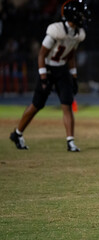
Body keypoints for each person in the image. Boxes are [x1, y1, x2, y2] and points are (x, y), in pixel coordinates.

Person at [9, 0, 90, 151]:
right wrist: (44, 77)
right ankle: (17, 133)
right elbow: (41, 55)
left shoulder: (78, 33)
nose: (83, 18)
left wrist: (73, 76)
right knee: (37, 104)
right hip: (48, 68)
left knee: (67, 104)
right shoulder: (56, 30)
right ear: (73, 16)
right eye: (81, 15)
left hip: (61, 69)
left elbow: (71, 55)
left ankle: (70, 141)